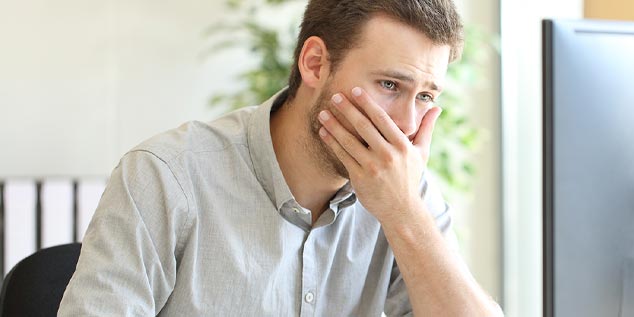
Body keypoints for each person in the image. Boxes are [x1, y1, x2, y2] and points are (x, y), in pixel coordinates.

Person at [57, 0, 502, 316]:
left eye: (425, 95)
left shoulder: (407, 195)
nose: (405, 125)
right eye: (390, 85)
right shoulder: (167, 176)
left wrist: (405, 213)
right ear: (314, 63)